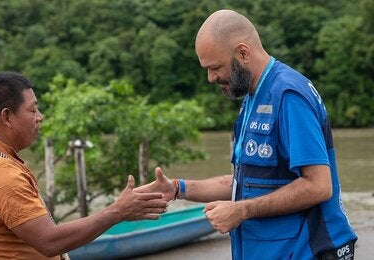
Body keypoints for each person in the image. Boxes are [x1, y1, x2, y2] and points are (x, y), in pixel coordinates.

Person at [136, 9, 357, 260]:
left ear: (243, 53)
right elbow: (244, 184)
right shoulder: (253, 98)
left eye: (216, 67)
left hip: (305, 251)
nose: (211, 78)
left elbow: (318, 186)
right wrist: (178, 188)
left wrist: (241, 211)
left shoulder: (288, 95)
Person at [0, 71, 168, 259]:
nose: (40, 117)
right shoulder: (1, 173)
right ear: (7, 117)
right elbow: (49, 242)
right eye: (32, 110)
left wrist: (122, 207)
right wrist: (117, 211)